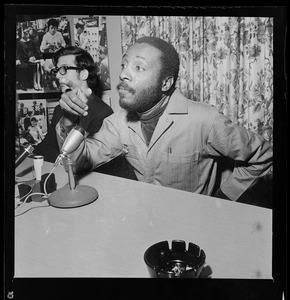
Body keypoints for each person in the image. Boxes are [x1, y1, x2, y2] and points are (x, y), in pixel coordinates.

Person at [56, 36, 273, 204]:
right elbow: (76, 164)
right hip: (146, 219)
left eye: (138, 67)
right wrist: (68, 121)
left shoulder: (205, 120)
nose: (123, 74)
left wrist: (224, 198)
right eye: (124, 65)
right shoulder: (118, 122)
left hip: (193, 227)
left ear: (166, 83)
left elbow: (264, 155)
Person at [32, 46, 113, 163]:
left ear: (83, 74)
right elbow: (44, 148)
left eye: (64, 69)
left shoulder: (103, 113)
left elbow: (86, 161)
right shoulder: (59, 109)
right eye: (57, 70)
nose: (57, 76)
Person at [16, 25, 42, 91]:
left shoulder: (31, 41)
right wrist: (28, 58)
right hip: (24, 60)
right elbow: (20, 54)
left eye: (28, 32)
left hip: (32, 59)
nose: (27, 34)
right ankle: (35, 83)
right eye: (25, 32)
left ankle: (38, 83)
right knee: (33, 65)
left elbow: (35, 51)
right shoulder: (19, 43)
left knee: (38, 64)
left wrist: (34, 57)